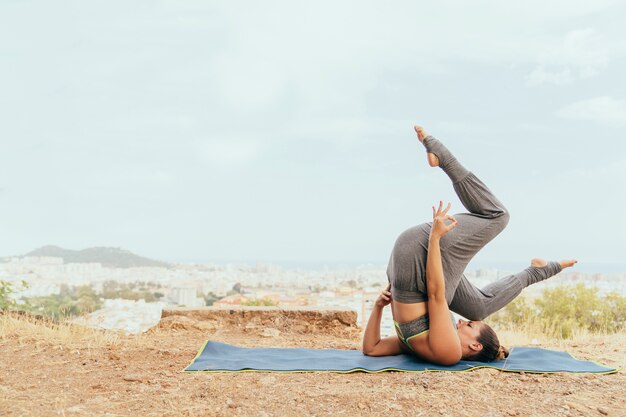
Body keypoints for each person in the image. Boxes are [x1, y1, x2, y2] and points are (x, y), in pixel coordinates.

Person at [361, 126, 577, 365]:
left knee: (497, 216)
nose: (462, 321)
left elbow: (436, 294)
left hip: (419, 257)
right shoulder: (416, 345)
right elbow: (373, 348)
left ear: (475, 345)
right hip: (404, 266)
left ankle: (443, 157)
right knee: (478, 308)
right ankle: (536, 271)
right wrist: (379, 306)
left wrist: (435, 238)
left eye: (470, 326)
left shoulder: (449, 352)